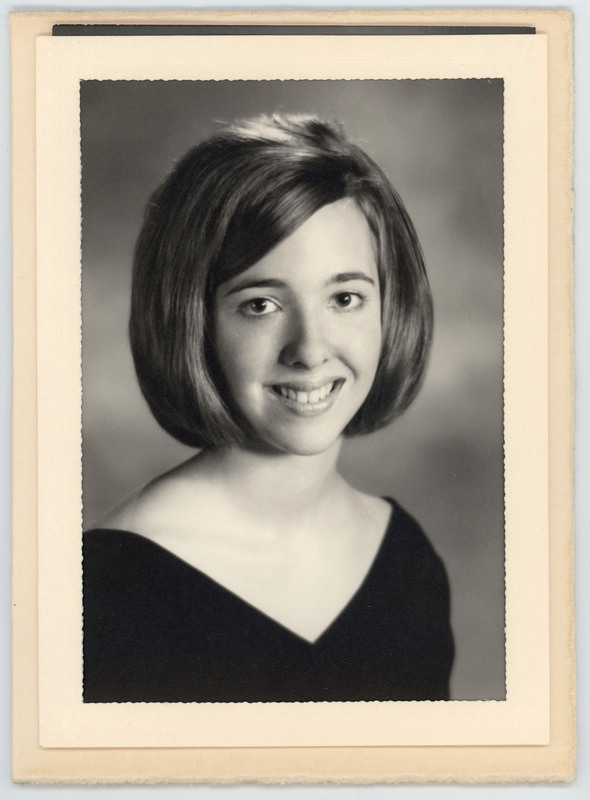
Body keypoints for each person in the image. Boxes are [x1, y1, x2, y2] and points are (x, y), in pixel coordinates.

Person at [82, 113, 454, 703]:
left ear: (390, 310)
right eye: (260, 305)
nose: (310, 350)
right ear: (193, 322)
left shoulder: (406, 559)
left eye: (345, 298)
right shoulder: (103, 590)